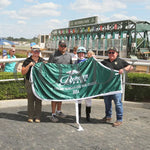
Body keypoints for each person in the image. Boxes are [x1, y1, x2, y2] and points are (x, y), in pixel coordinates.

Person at [101, 47, 133, 127]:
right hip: (107, 87)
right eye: (110, 53)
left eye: (113, 52)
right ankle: (108, 117)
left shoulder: (120, 61)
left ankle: (119, 119)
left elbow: (131, 67)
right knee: (107, 103)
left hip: (116, 87)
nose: (111, 54)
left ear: (117, 53)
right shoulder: (105, 62)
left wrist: (123, 69)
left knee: (118, 103)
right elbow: (96, 66)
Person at [48, 40, 72, 122]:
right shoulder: (53, 55)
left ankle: (59, 111)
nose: (63, 47)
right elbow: (49, 67)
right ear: (58, 46)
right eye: (61, 46)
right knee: (54, 97)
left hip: (64, 80)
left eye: (64, 46)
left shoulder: (69, 55)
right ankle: (53, 114)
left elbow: (71, 67)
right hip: (55, 79)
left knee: (60, 96)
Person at [22, 46, 45, 123]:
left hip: (39, 82)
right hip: (29, 81)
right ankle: (30, 116)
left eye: (38, 51)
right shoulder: (27, 60)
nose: (36, 53)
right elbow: (23, 72)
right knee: (30, 100)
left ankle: (38, 116)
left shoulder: (42, 60)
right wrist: (29, 65)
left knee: (39, 99)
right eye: (35, 51)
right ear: (32, 52)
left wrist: (46, 65)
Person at [75, 46, 92, 122]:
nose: (81, 55)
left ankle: (88, 115)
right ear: (78, 54)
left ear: (85, 54)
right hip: (79, 83)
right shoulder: (75, 62)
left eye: (83, 53)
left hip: (87, 83)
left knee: (88, 100)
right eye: (80, 53)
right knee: (79, 99)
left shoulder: (88, 61)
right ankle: (78, 115)